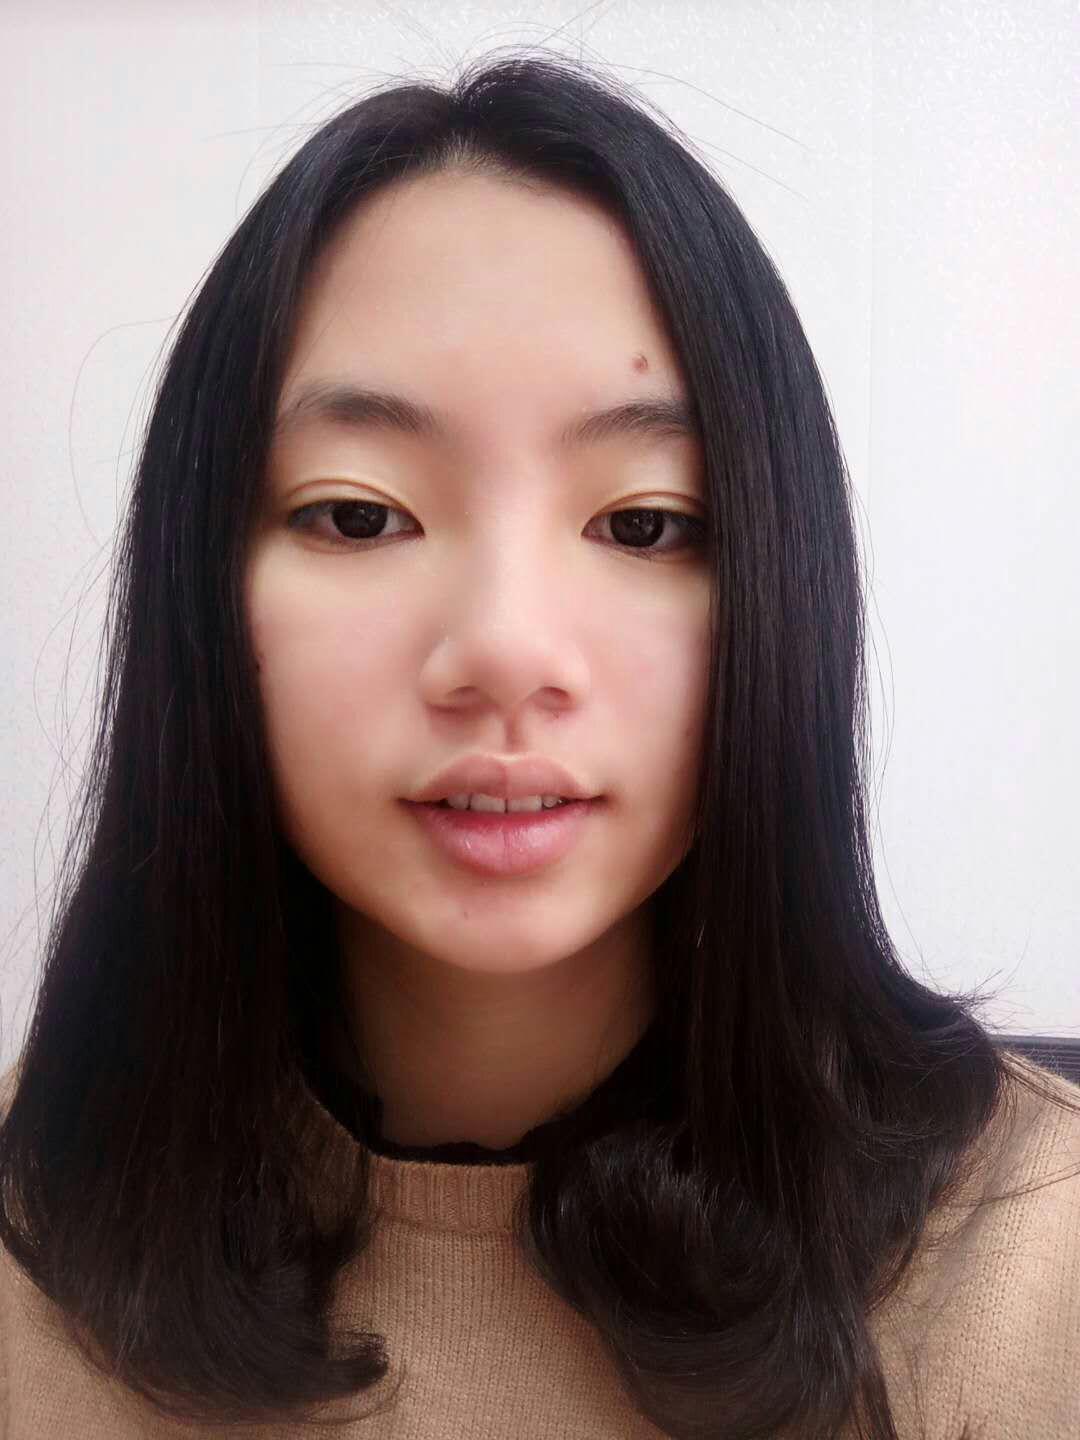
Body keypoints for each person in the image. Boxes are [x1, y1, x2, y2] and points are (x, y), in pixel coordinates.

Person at [0, 49, 1077, 1440]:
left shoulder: (1038, 1266)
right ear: (200, 588)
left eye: (644, 524)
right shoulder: (31, 1262)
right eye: (358, 515)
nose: (506, 651)